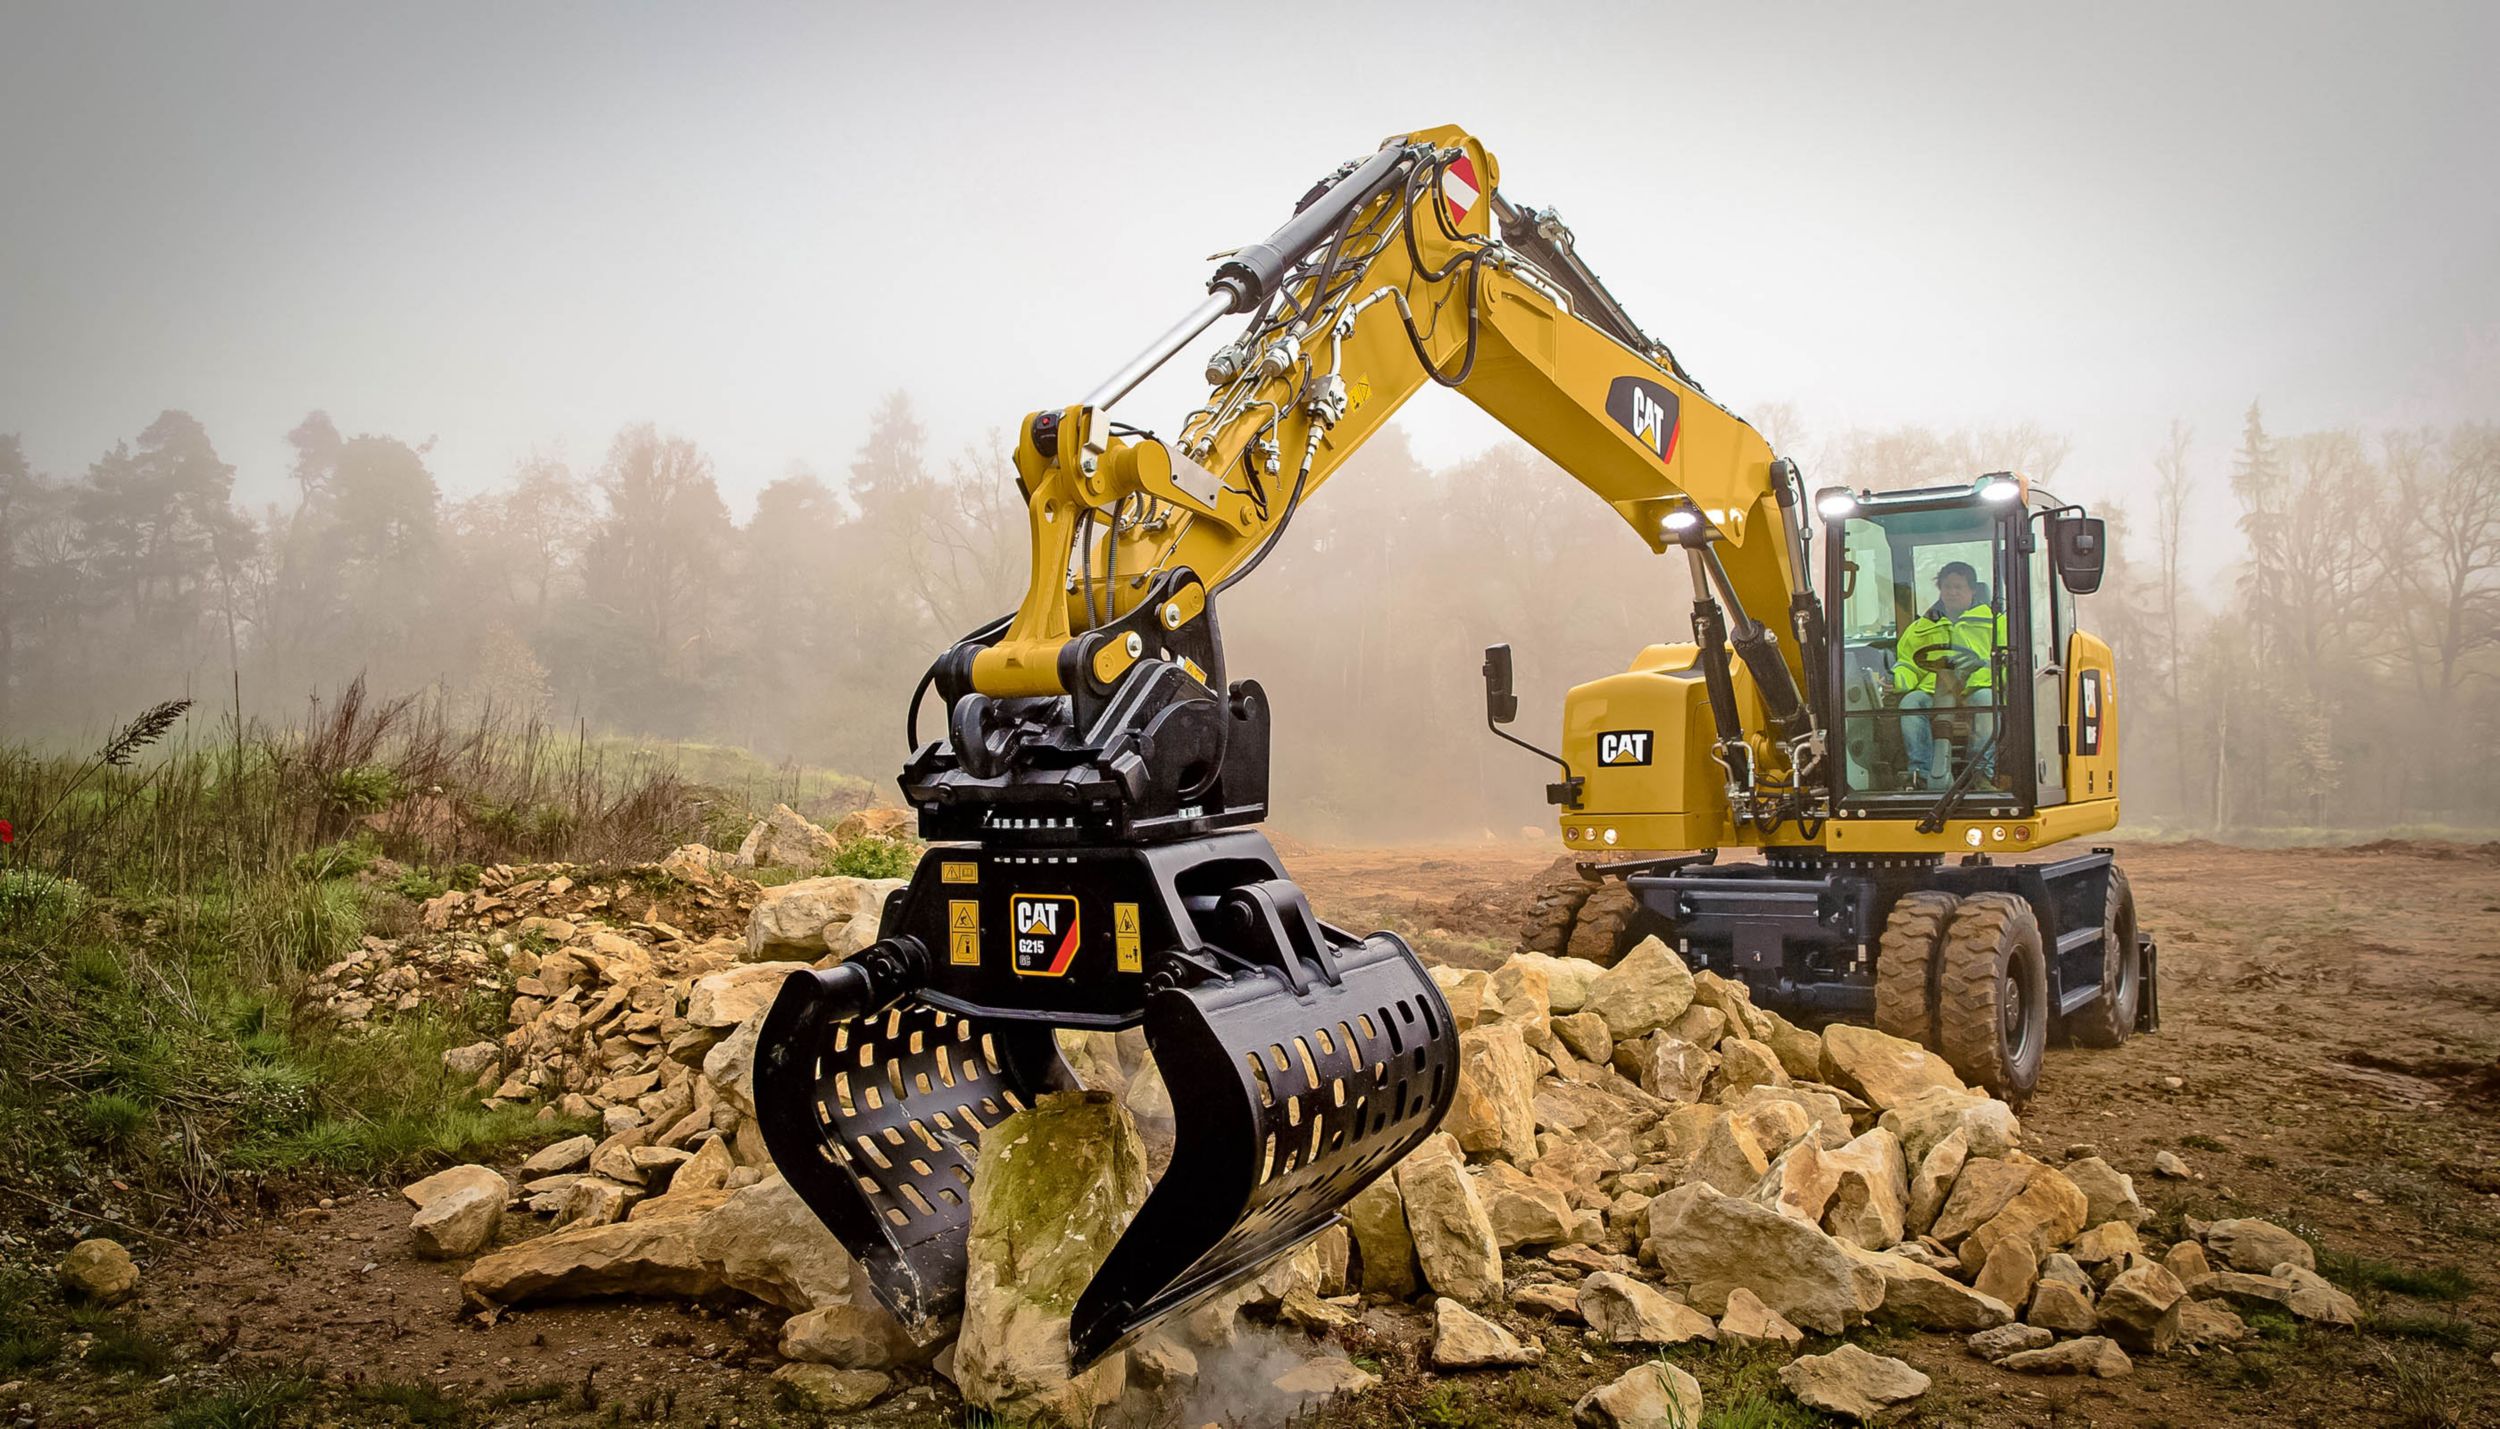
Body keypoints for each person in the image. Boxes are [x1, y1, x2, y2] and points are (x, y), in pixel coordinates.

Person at [1891, 561, 2000, 789]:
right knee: (1910, 703)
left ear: (1972, 590)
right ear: (1940, 589)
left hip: (1977, 687)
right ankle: (1920, 773)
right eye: (1947, 586)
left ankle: (1979, 773)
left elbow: (2007, 660)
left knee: (1988, 703)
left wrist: (2008, 680)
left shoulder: (1995, 624)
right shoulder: (1922, 627)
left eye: (1959, 587)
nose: (1952, 592)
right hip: (1934, 690)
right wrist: (1899, 680)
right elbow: (1908, 663)